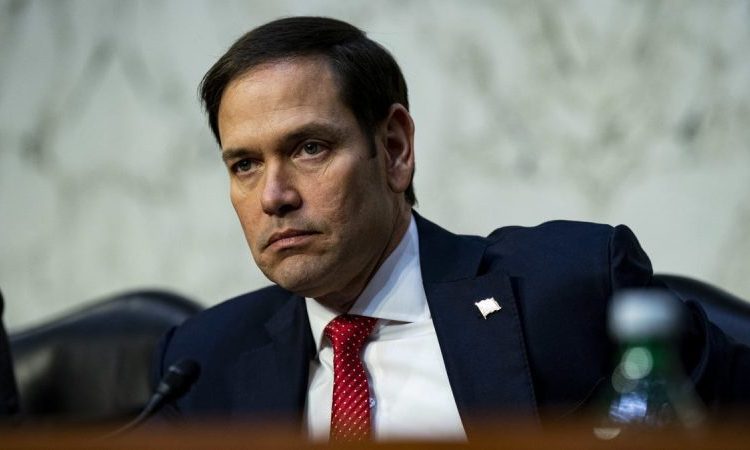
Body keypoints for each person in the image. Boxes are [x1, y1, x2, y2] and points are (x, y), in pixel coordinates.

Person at [152, 16, 749, 441]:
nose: (273, 196)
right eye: (245, 165)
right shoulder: (203, 363)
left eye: (309, 148)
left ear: (394, 149)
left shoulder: (571, 289)